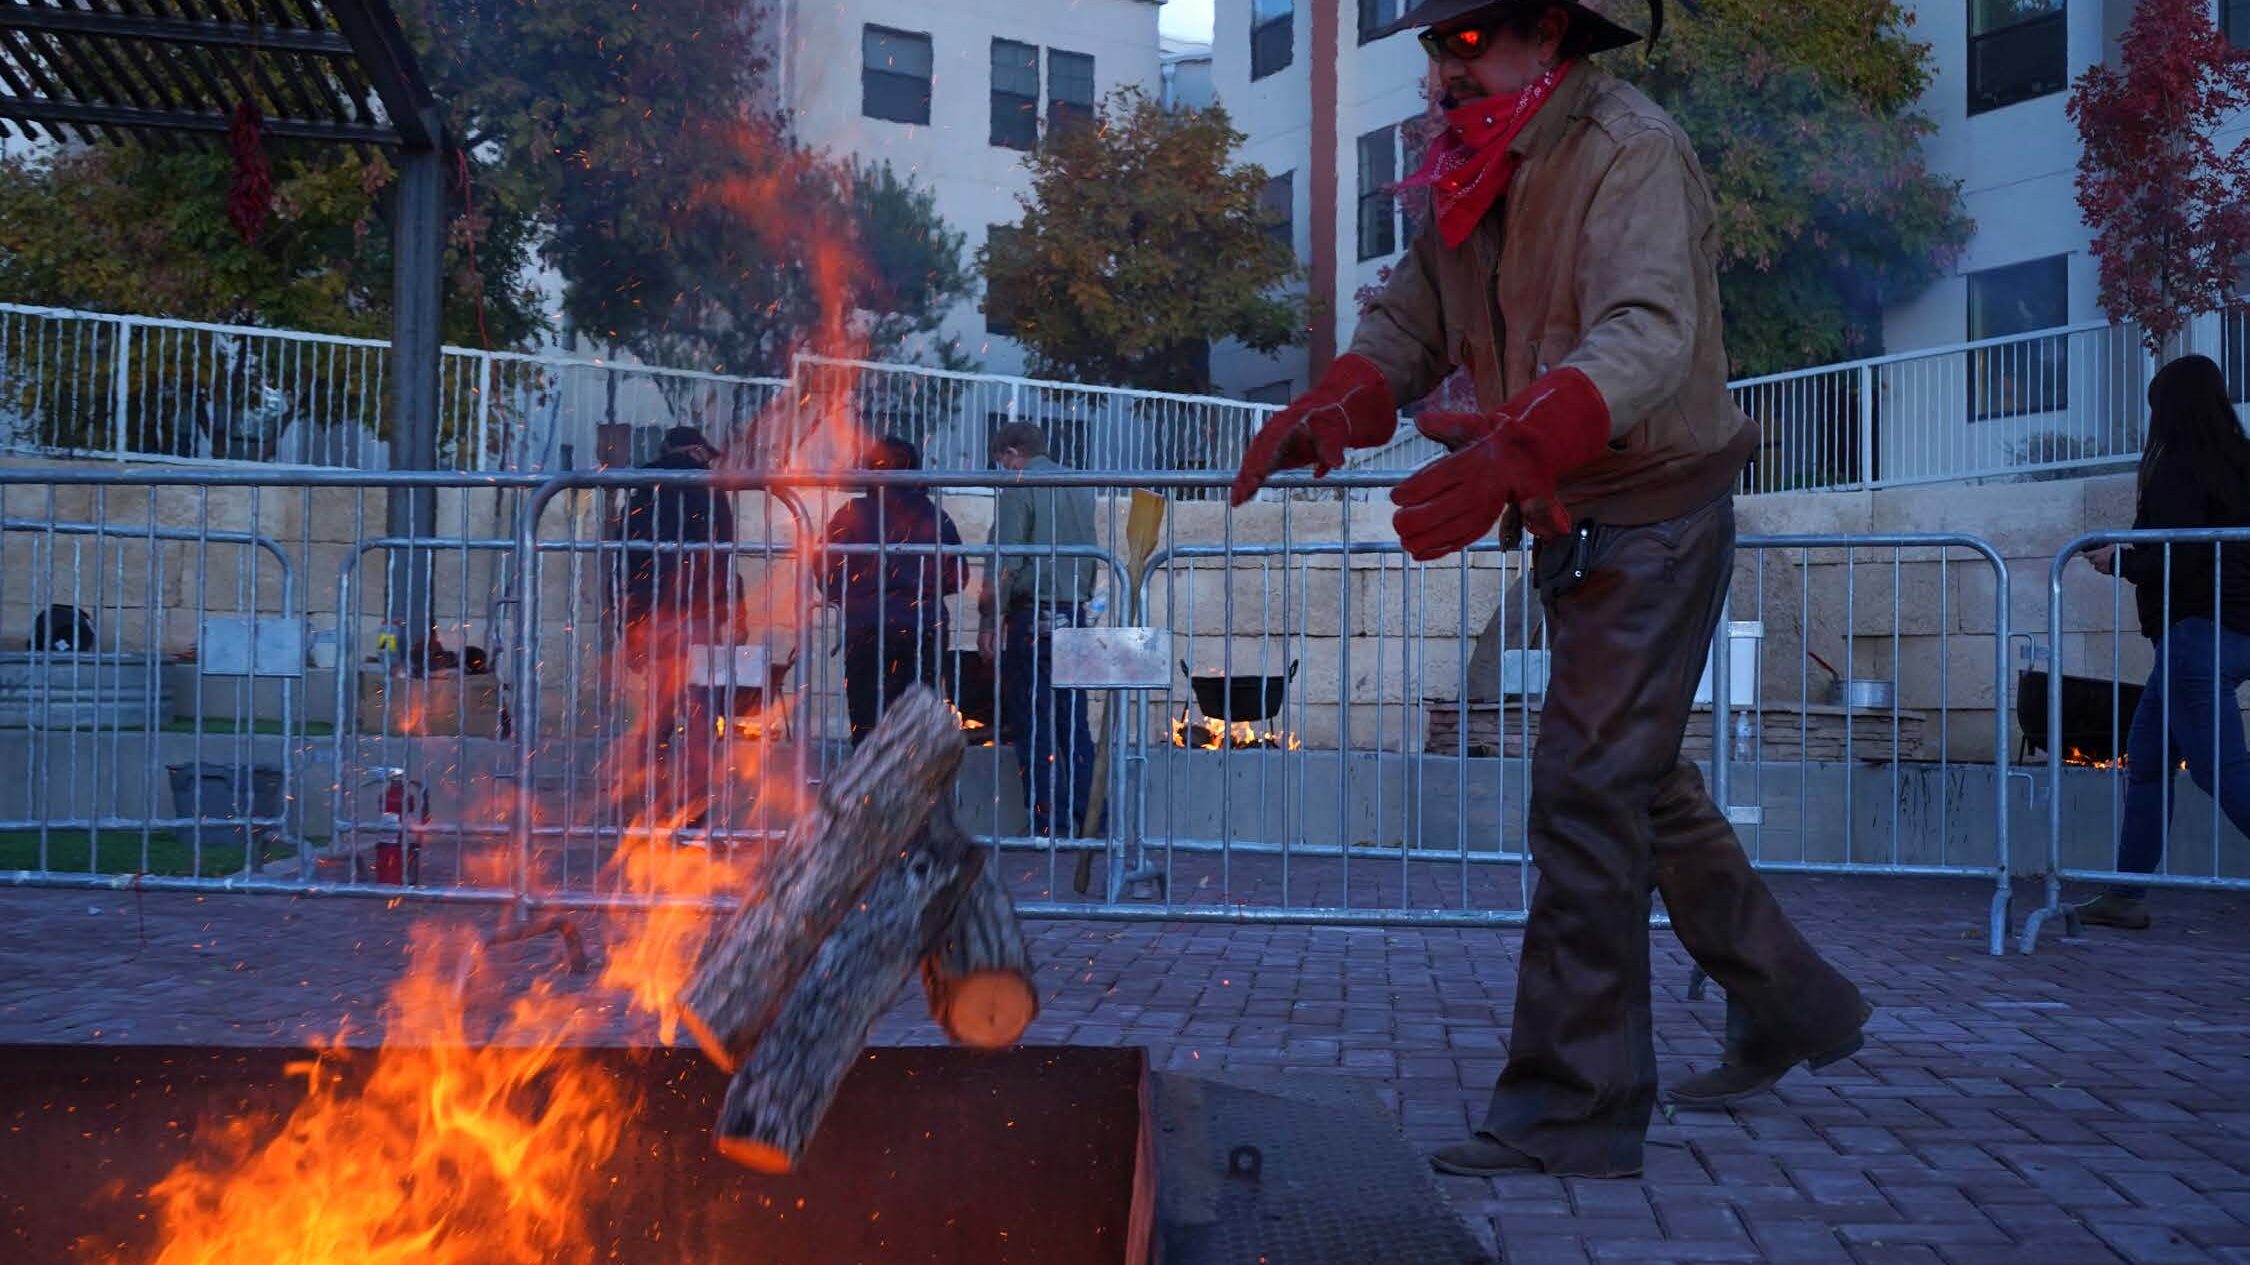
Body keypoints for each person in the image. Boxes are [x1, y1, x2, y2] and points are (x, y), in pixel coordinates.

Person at [1232, 0, 1868, 1179]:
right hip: (1579, 512)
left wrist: (1524, 443)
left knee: (1586, 785)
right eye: (1433, 43)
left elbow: (1647, 332)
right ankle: (1799, 1001)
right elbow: (1409, 321)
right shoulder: (1477, 172)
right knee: (1635, 779)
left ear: (1547, 36)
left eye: (1466, 40)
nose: (1440, 65)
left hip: (1657, 506)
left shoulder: (1632, 150)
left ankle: (1577, 1104)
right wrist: (1329, 408)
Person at [2074, 354, 2250, 930]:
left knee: (2218, 769)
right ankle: (2126, 893)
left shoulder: (2178, 469)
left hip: (2195, 635)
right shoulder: (2238, 461)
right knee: (2147, 760)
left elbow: (2180, 558)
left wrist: (2119, 561)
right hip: (2230, 634)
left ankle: (2126, 893)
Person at [981, 422, 1105, 840]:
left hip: (1033, 616)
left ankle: (1047, 826)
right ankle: (1091, 825)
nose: (1002, 469)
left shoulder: (1020, 486)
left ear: (1013, 452)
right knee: (1076, 729)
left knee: (1035, 725)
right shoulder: (1077, 484)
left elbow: (1007, 561)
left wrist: (988, 618)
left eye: (1002, 460)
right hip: (1075, 614)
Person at [615, 425, 738, 827]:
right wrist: (732, 612)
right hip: (698, 617)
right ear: (696, 452)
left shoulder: (642, 489)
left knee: (658, 714)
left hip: (653, 618)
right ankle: (694, 812)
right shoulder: (712, 493)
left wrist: (629, 623)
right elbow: (724, 558)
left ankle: (651, 802)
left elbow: (627, 564)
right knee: (701, 715)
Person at [821, 436, 968, 746]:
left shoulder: (852, 513)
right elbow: (957, 577)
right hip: (924, 629)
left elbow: (824, 571)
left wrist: (853, 595)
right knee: (915, 729)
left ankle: (867, 791)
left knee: (867, 725)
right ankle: (912, 792)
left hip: (867, 629)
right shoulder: (934, 516)